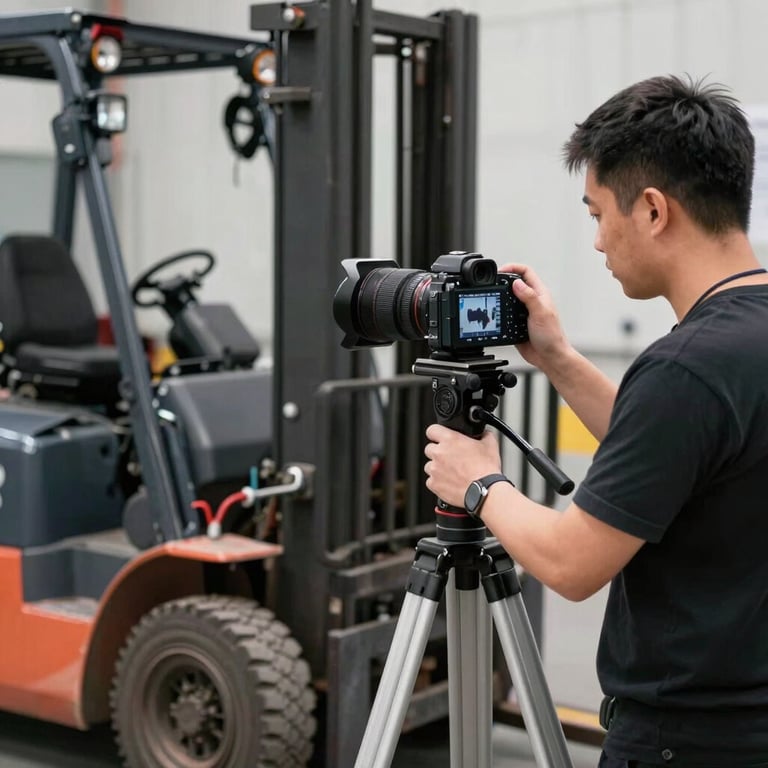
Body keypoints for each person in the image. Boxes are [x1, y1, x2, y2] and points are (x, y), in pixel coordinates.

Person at [423, 74, 768, 767]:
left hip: (689, 742)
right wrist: (557, 356)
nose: (597, 242)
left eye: (595, 214)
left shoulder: (685, 367)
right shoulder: (736, 346)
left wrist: (481, 484)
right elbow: (679, 456)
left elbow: (573, 564)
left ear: (651, 210)